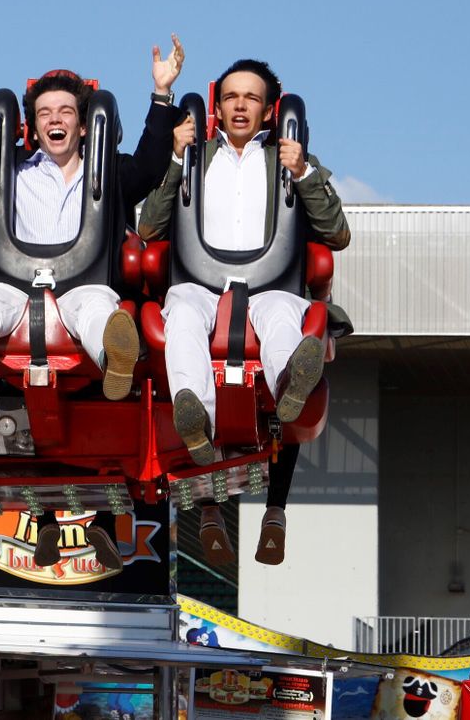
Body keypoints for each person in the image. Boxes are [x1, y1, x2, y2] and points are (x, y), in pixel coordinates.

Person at [0, 39, 185, 569]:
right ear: (32, 125)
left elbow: (150, 166)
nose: (56, 121)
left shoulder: (108, 173)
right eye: (45, 113)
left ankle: (114, 360)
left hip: (79, 285)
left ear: (83, 124)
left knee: (97, 308)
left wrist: (161, 93)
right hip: (16, 286)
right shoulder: (10, 171)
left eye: (67, 112)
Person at [137, 58, 349, 565]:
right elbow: (148, 228)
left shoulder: (290, 157)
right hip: (201, 285)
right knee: (182, 312)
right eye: (231, 96)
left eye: (251, 98)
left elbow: (338, 232)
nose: (239, 105)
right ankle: (197, 416)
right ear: (217, 106)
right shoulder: (195, 156)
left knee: (281, 319)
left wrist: (305, 173)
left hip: (270, 287)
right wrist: (173, 161)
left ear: (269, 110)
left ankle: (289, 388)